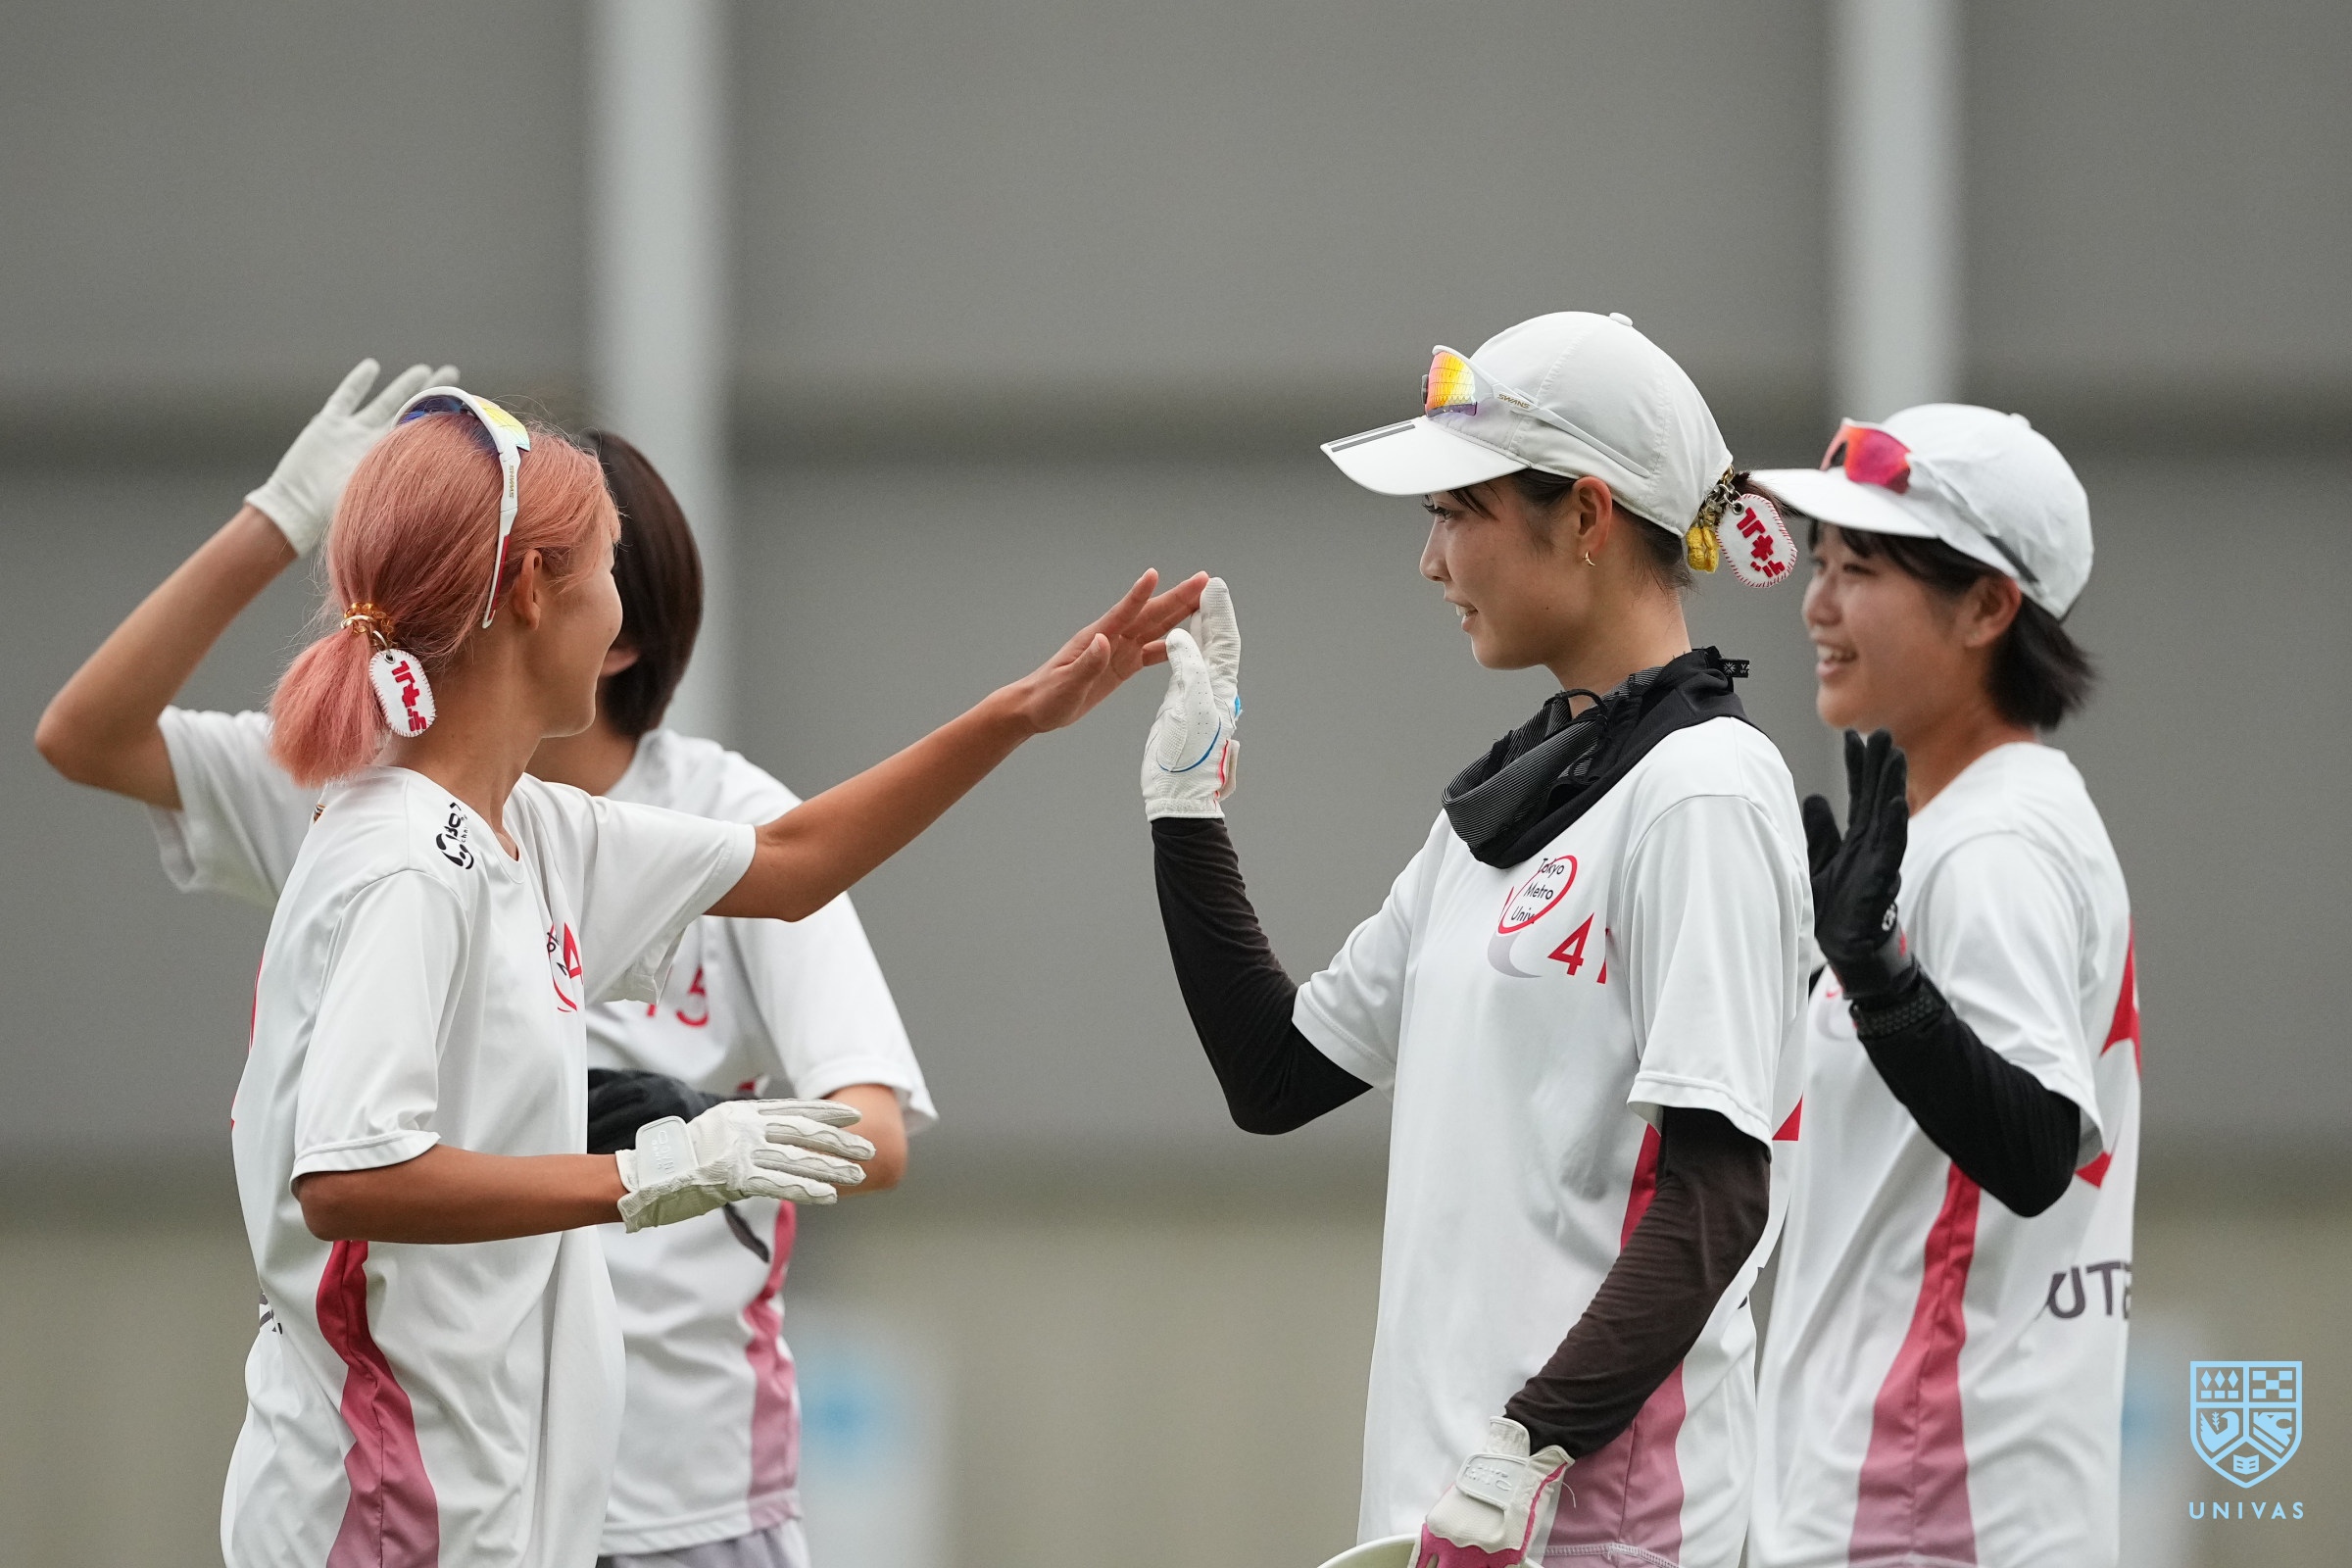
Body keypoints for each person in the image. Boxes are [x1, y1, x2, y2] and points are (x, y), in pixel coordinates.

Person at [37, 362, 1203, 1568]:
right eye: (603, 569)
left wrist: (1021, 714)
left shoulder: (532, 830)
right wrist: (644, 1171)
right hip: (386, 1514)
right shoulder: (401, 857)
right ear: (533, 592)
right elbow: (346, 1178)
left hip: (492, 1507)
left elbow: (795, 861)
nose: (617, 615)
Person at [1139, 313, 1810, 1567]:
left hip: (1599, 1531)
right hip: (1448, 1522)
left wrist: (1525, 1447)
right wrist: (1185, 809)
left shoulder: (1704, 790)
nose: (1432, 560)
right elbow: (1274, 1074)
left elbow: (1719, 1194)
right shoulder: (1502, 812)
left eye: (1459, 512)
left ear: (1588, 515)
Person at [1743, 405, 2136, 1568]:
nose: (1817, 605)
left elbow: (2034, 1146)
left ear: (1987, 607)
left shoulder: (1991, 846)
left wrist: (1879, 981)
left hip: (1927, 1506)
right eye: (1819, 563)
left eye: (1860, 570)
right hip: (1908, 1495)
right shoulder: (1976, 822)